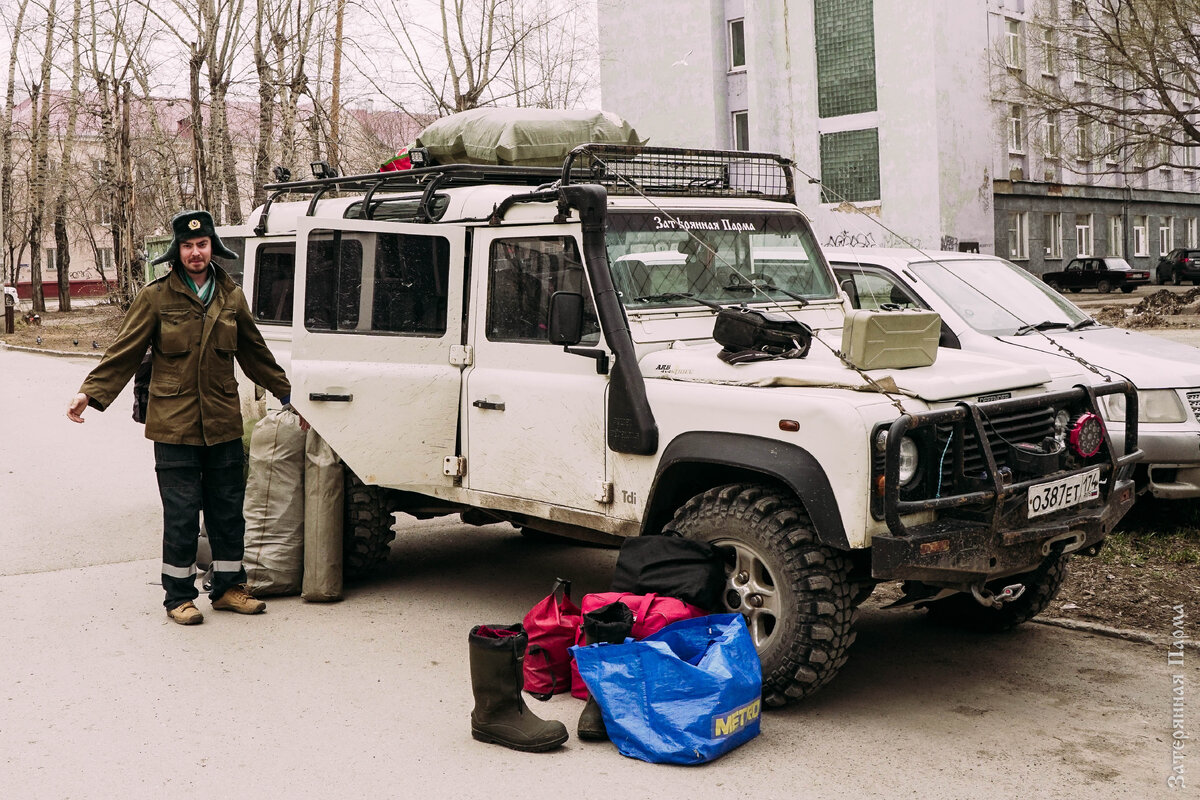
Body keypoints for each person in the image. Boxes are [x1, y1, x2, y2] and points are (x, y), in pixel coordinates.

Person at [67, 209, 300, 626]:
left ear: (213, 248)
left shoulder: (231, 295)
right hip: (173, 425)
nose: (196, 252)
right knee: (181, 514)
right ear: (177, 251)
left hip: (222, 421)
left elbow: (254, 351)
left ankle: (228, 588)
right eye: (188, 246)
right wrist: (91, 393)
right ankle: (179, 597)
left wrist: (288, 395)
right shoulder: (156, 296)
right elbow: (126, 349)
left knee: (228, 511)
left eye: (202, 244)